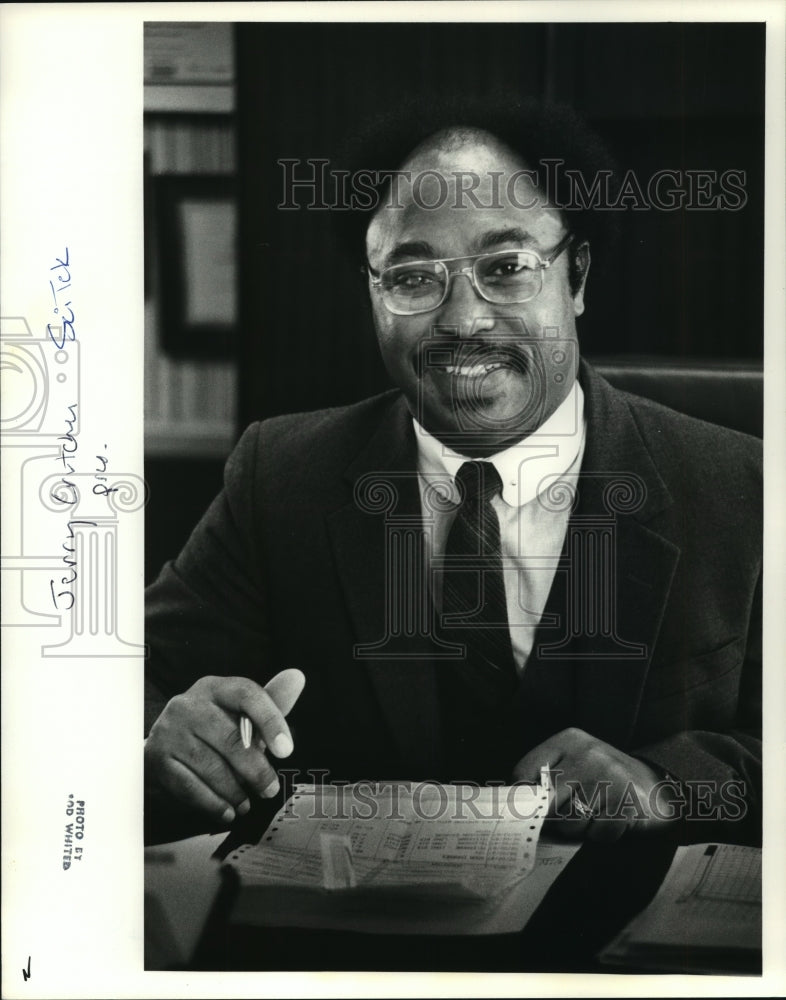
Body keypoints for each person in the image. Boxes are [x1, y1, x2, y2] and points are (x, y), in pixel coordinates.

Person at [144, 100, 761, 846]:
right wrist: (167, 733)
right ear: (374, 297)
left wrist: (668, 787)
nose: (463, 320)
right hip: (350, 946)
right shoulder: (279, 477)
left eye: (506, 269)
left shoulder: (744, 488)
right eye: (412, 279)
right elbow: (124, 686)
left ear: (578, 277)